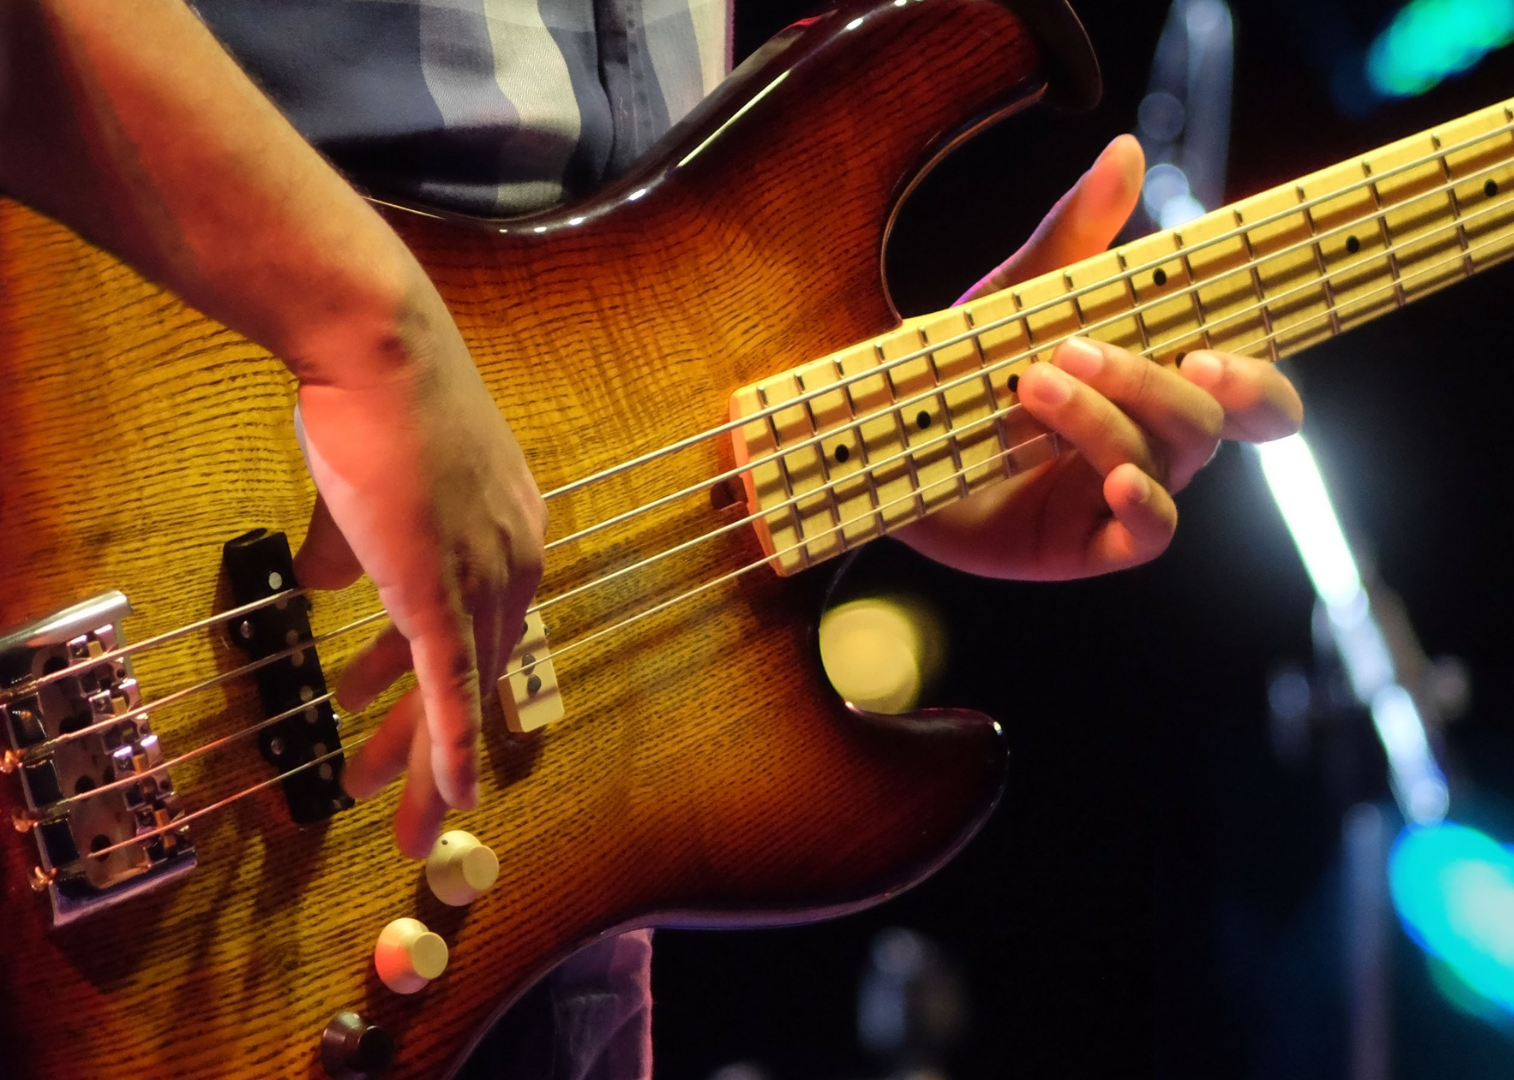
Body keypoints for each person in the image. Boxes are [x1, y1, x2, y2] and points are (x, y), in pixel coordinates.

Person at [0, 2, 1301, 1077]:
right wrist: (365, 323)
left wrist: (902, 444)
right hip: (140, 432)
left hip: (511, 913)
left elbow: (618, 251)